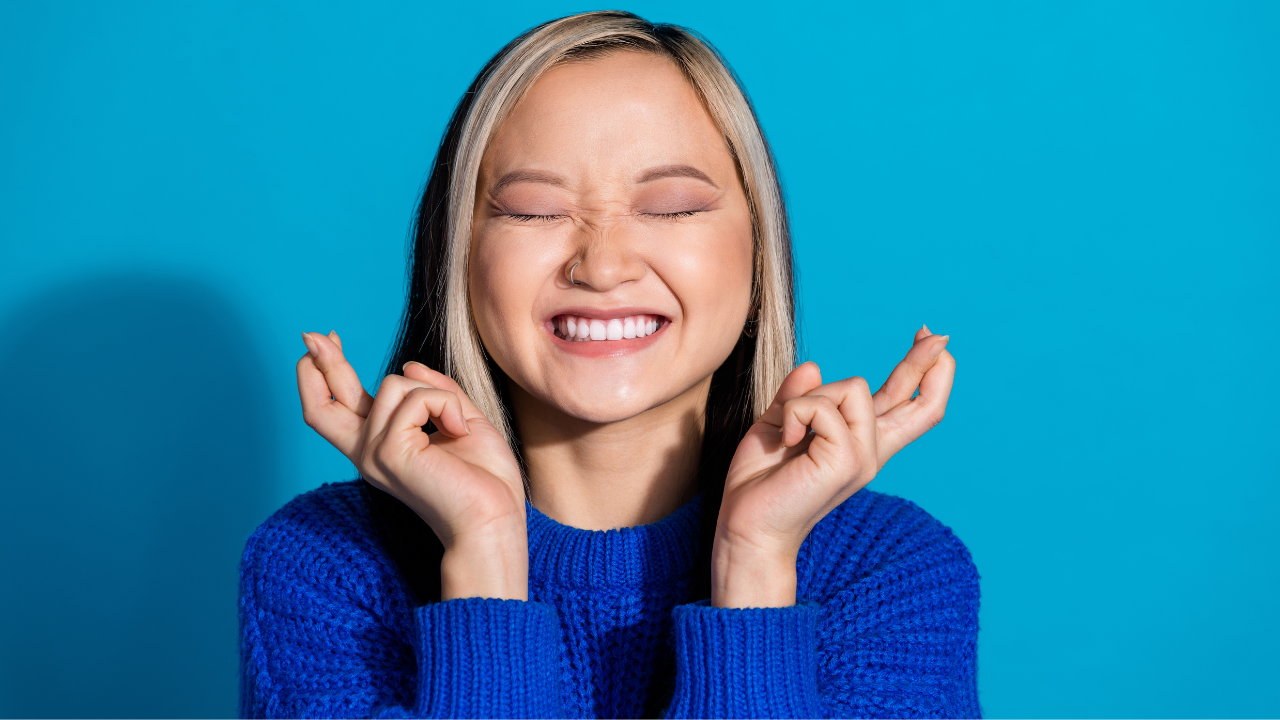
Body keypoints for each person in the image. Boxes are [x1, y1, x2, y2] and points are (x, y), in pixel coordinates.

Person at [238, 10, 979, 719]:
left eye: (672, 206)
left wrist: (754, 568)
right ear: (457, 258)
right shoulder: (326, 567)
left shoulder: (891, 575)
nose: (603, 264)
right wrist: (485, 560)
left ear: (758, 259)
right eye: (533, 209)